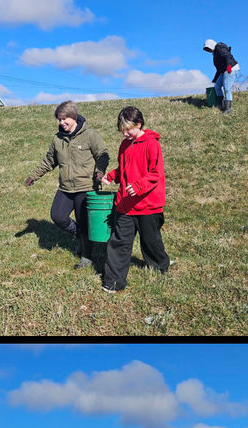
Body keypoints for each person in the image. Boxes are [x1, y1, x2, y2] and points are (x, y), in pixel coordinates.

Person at [24, 101, 110, 270]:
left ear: (74, 117)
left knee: (84, 222)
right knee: (57, 216)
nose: (61, 123)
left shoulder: (90, 134)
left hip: (86, 187)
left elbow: (103, 154)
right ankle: (79, 235)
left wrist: (100, 171)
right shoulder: (58, 139)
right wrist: (34, 176)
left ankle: (87, 256)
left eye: (65, 119)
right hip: (65, 188)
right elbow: (49, 161)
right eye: (59, 119)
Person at [99, 106, 171, 294]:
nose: (125, 133)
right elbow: (124, 168)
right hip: (125, 204)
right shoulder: (125, 144)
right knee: (119, 242)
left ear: (138, 124)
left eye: (128, 129)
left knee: (150, 240)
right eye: (122, 130)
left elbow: (156, 173)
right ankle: (114, 281)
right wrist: (112, 176)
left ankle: (159, 265)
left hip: (148, 204)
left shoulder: (151, 144)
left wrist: (139, 186)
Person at [204, 39, 240, 114]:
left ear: (211, 46)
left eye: (208, 49)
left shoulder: (220, 48)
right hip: (224, 70)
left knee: (227, 88)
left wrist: (229, 65)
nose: (209, 51)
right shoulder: (215, 53)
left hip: (231, 68)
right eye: (207, 50)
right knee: (217, 86)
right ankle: (221, 105)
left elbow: (227, 56)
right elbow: (219, 68)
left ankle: (227, 109)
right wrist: (215, 78)